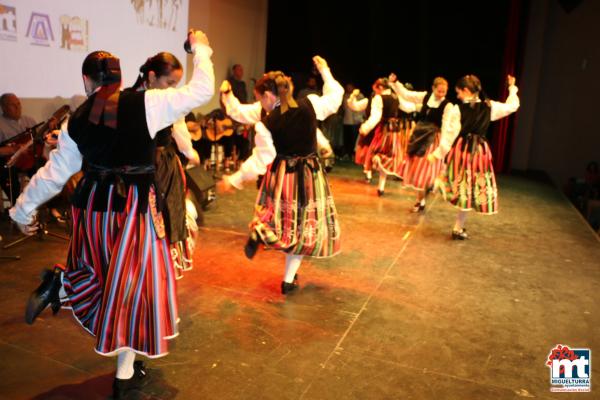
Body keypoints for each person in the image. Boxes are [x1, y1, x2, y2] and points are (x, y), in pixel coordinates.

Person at [9, 30, 214, 398]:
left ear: (87, 80)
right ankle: (122, 379)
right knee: (133, 291)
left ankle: (63, 286)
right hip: (132, 211)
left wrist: (21, 211)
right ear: (119, 77)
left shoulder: (77, 121)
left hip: (92, 211)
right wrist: (201, 47)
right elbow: (201, 91)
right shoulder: (147, 104)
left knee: (107, 281)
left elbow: (53, 176)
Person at [220, 56, 343, 295]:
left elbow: (260, 160)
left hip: (283, 178)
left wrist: (234, 179)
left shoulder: (267, 123)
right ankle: (287, 280)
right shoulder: (309, 104)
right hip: (309, 176)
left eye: (259, 99)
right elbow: (336, 97)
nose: (259, 105)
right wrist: (325, 71)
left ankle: (264, 232)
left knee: (286, 225)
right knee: (301, 229)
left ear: (268, 95)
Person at [130, 51, 201, 278]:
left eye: (176, 84)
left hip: (159, 168)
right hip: (140, 169)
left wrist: (190, 152)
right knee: (144, 222)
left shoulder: (160, 100)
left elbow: (179, 131)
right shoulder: (131, 99)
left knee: (163, 220)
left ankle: (155, 273)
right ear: (151, 77)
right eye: (169, 82)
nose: (172, 89)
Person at [428, 74, 519, 239]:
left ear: (466, 90)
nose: (458, 96)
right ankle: (457, 227)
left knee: (462, 185)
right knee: (468, 189)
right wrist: (512, 88)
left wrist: (437, 154)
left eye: (459, 93)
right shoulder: (489, 106)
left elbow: (449, 136)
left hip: (464, 151)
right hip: (479, 152)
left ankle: (438, 186)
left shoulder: (458, 110)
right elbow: (512, 106)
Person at [389, 74, 452, 212]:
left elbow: (446, 127)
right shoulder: (425, 96)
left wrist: (441, 151)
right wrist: (395, 83)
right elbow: (406, 94)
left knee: (426, 170)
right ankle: (421, 199)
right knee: (417, 170)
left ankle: (425, 194)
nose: (441, 94)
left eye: (444, 92)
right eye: (439, 91)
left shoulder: (447, 106)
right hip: (419, 135)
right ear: (433, 88)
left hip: (432, 139)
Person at [0, 93, 37, 204]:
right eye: (13, 105)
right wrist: (13, 149)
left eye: (18, 104)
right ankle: (19, 207)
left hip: (29, 159)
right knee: (5, 172)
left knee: (45, 168)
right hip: (9, 161)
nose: (17, 107)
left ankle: (52, 206)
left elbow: (38, 141)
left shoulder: (29, 121)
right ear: (4, 107)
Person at [341, 83, 364, 160]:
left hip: (355, 121)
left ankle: (354, 154)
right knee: (347, 138)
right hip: (346, 121)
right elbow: (344, 108)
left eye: (350, 87)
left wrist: (360, 118)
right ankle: (346, 154)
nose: (348, 89)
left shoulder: (359, 96)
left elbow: (362, 109)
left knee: (354, 139)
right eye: (347, 87)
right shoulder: (345, 96)